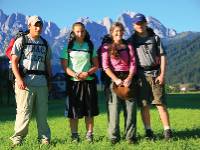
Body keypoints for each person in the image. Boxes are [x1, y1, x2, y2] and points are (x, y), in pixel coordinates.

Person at [128, 13, 172, 140]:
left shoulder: (155, 38)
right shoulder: (131, 40)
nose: (140, 25)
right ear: (134, 25)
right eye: (137, 23)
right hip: (140, 76)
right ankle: (148, 131)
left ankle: (167, 131)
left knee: (160, 104)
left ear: (146, 23)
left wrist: (162, 74)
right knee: (144, 105)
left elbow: (163, 56)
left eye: (142, 23)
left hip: (156, 74)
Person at [10, 16, 51, 146]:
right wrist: (19, 79)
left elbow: (48, 65)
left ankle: (44, 139)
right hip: (25, 83)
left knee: (42, 114)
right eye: (35, 25)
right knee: (23, 112)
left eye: (40, 25)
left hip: (42, 83)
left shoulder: (45, 43)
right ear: (29, 26)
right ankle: (17, 139)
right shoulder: (22, 41)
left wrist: (50, 81)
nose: (38, 28)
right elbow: (14, 63)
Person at [60, 22, 99, 142]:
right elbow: (65, 67)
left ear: (85, 31)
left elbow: (96, 65)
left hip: (88, 82)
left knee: (89, 110)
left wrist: (87, 73)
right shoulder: (68, 47)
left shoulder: (90, 46)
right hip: (73, 83)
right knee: (73, 111)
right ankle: (74, 135)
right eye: (77, 31)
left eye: (82, 31)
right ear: (73, 32)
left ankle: (89, 135)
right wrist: (76, 74)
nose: (80, 33)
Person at [101, 22, 137, 144]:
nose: (118, 33)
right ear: (112, 33)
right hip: (114, 80)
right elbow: (105, 66)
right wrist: (115, 79)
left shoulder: (129, 46)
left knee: (130, 110)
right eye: (116, 31)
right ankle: (113, 138)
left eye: (120, 31)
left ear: (123, 32)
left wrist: (130, 78)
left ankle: (130, 137)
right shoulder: (106, 47)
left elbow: (133, 64)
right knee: (114, 111)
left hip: (128, 80)